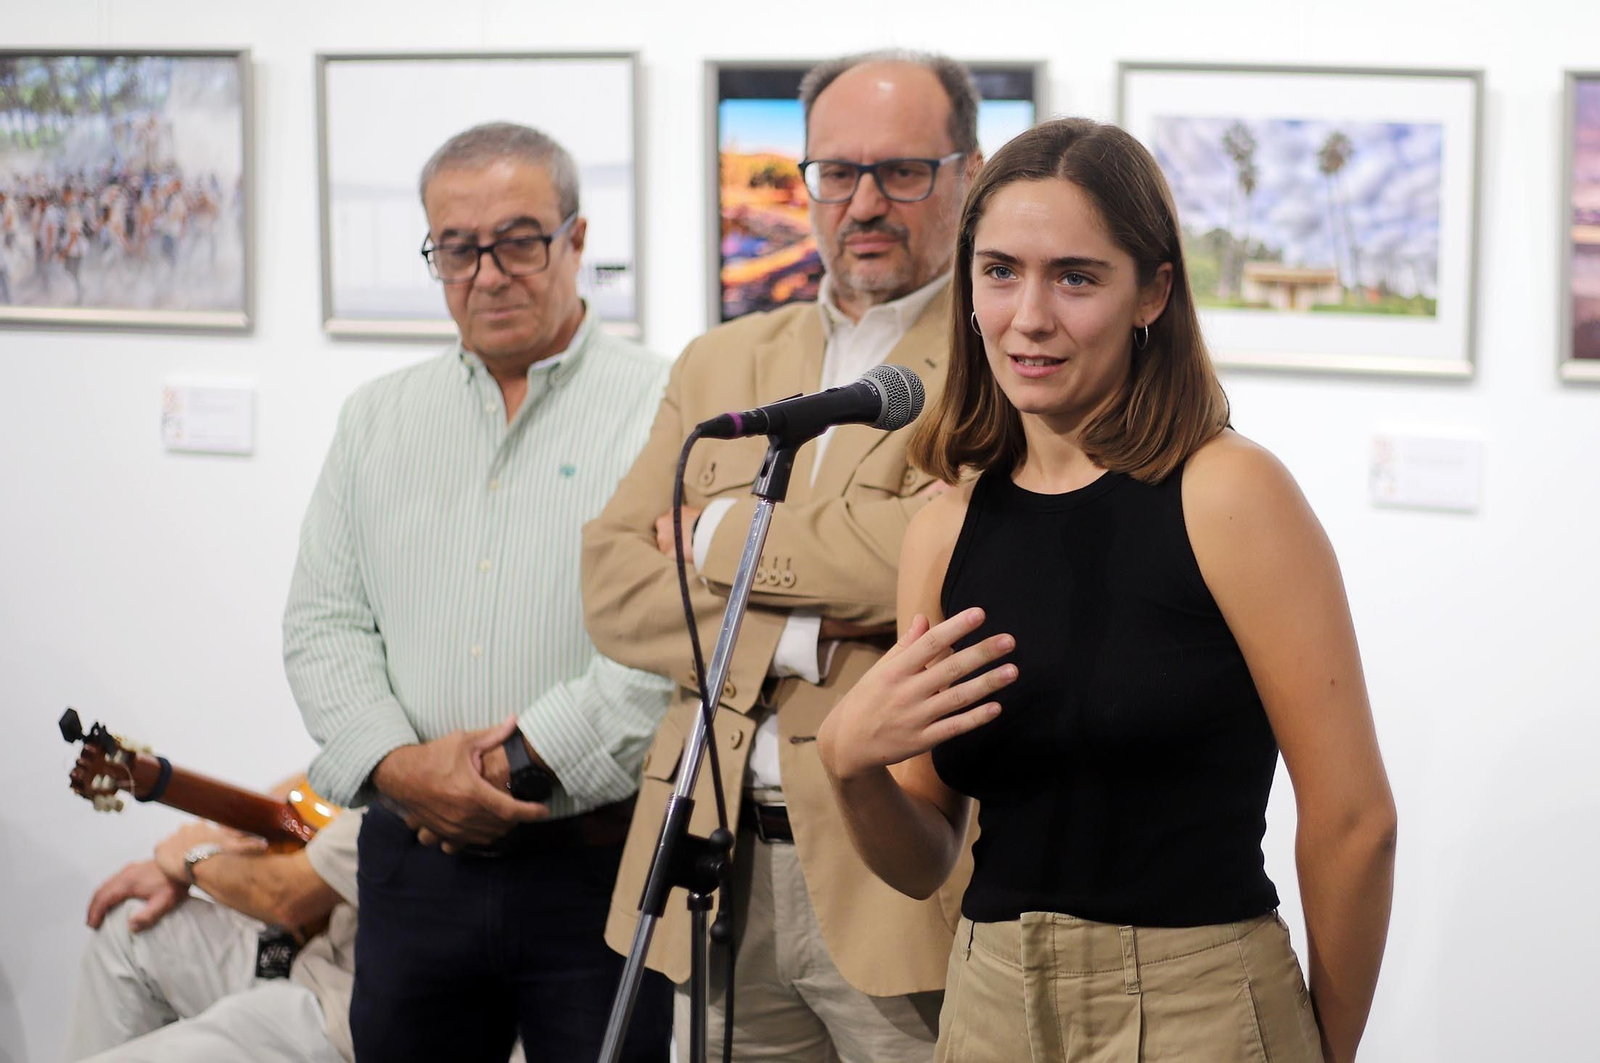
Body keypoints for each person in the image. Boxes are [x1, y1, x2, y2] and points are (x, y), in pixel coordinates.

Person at [814, 117, 1399, 1063]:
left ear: (1152, 293)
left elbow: (1353, 821)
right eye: (1001, 271)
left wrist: (1328, 1045)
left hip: (1198, 1003)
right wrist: (848, 765)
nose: (1029, 315)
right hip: (989, 1000)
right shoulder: (947, 526)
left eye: (1075, 277)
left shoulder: (1230, 493)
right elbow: (924, 858)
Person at [582, 50, 983, 1062]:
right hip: (713, 868)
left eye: (902, 171)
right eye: (835, 172)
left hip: (895, 870)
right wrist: (811, 630)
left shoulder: (998, 361)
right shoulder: (722, 359)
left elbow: (941, 559)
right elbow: (615, 583)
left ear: (967, 174)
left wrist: (714, 539)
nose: (864, 202)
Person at [283, 120, 673, 1063]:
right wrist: (401, 769)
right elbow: (323, 625)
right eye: (458, 248)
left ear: (577, 241)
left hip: (598, 868)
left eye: (519, 240)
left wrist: (508, 773)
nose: (488, 273)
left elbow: (675, 640)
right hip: (414, 869)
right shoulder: (377, 419)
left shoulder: (668, 406)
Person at [62, 807, 363, 1063]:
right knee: (133, 925)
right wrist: (225, 840)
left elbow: (284, 896)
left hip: (353, 1021)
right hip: (322, 958)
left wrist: (193, 858)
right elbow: (308, 786)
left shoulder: (405, 778)